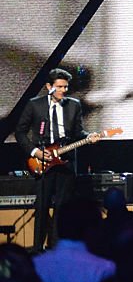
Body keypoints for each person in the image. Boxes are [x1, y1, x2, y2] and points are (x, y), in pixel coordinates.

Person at [15, 67, 101, 252]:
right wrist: (35, 152)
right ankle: (38, 248)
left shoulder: (74, 105)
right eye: (60, 87)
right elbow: (20, 132)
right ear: (49, 87)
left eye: (65, 87)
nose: (63, 90)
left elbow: (79, 133)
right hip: (43, 161)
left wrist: (89, 136)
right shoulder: (34, 105)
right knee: (42, 205)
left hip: (66, 162)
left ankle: (55, 248)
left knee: (63, 208)